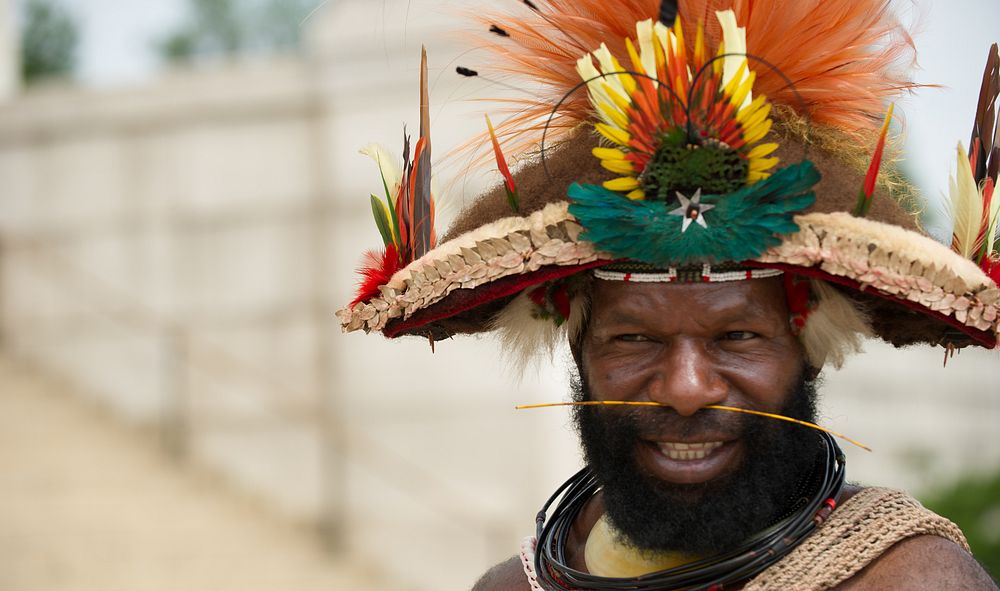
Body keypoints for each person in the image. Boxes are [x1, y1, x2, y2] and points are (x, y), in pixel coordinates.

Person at [338, 0, 1000, 589]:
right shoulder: (516, 585)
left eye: (737, 336)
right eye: (634, 338)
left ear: (810, 343)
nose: (685, 389)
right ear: (575, 340)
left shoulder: (906, 577)